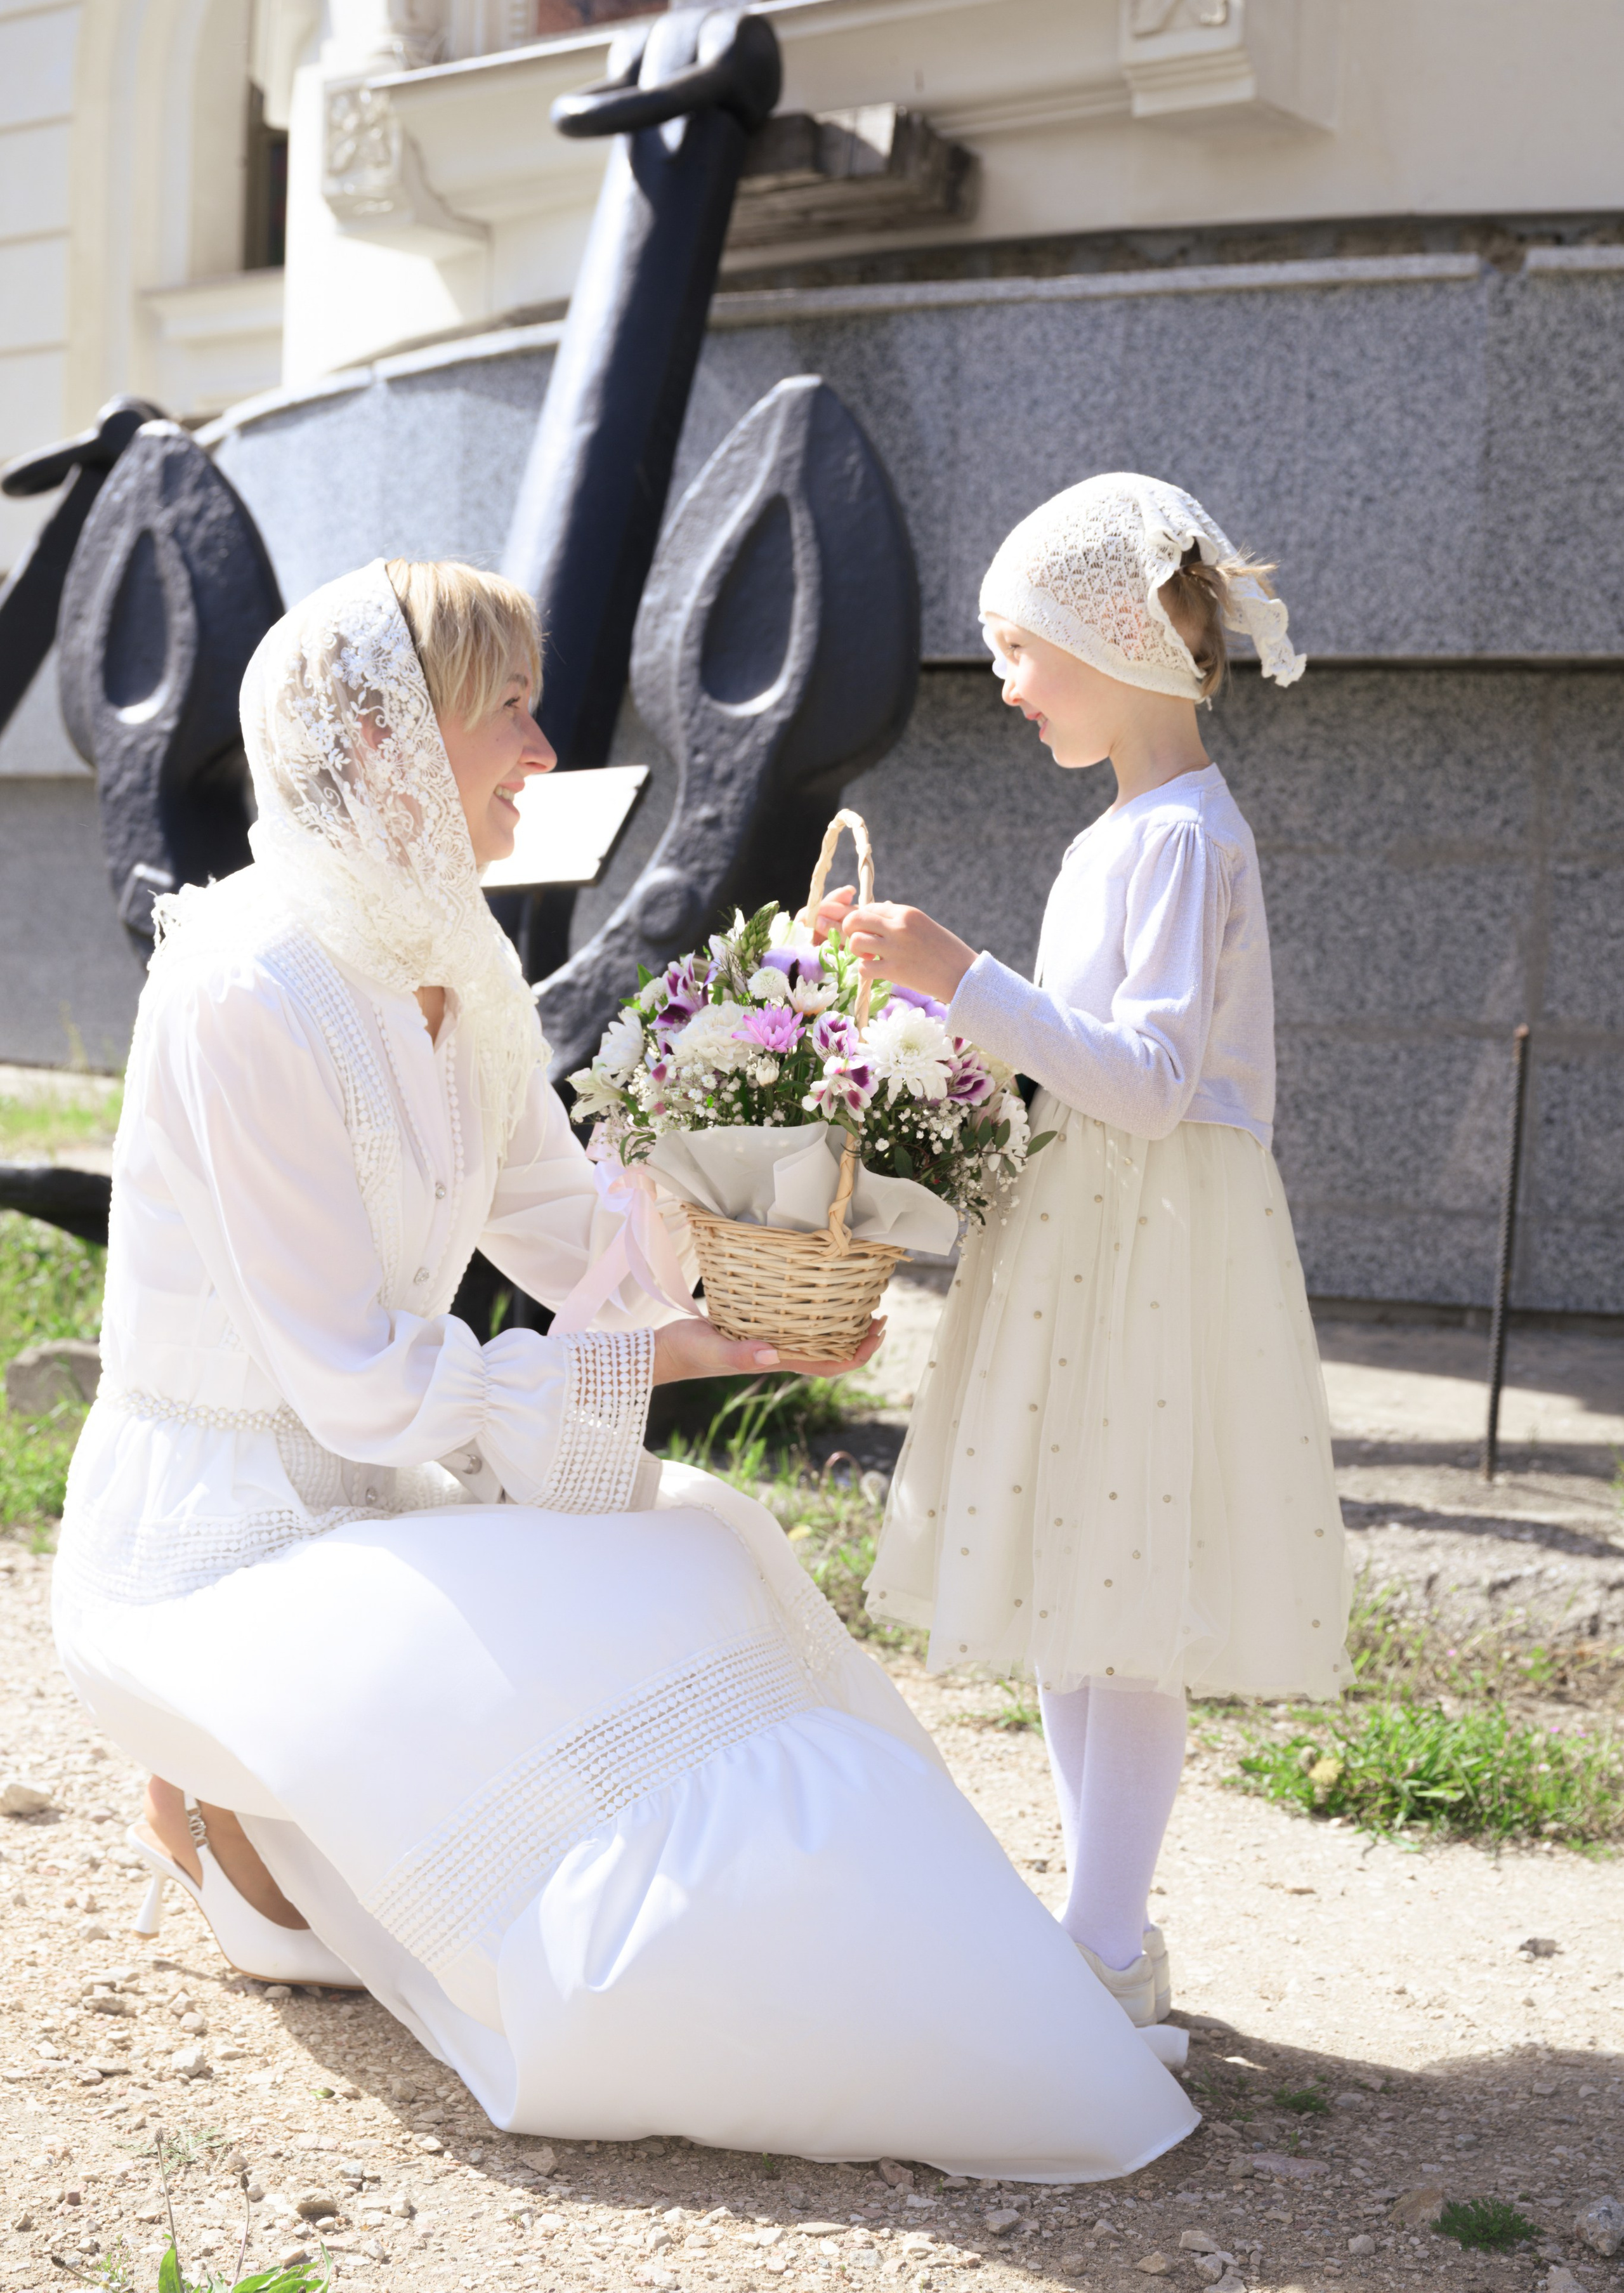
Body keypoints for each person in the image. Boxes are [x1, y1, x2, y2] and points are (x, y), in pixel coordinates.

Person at [51, 556, 1196, 2178]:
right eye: (506, 712)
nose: (541, 753)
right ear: (386, 746)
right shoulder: (245, 982)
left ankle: (935, 2001)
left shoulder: (454, 946)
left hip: (379, 1487)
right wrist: (627, 1369)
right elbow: (349, 1382)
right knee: (627, 1625)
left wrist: (723, 1293)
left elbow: (548, 1213)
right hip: (225, 1536)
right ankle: (231, 1792)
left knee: (702, 1552)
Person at [829, 475, 1352, 2028]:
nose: (1000, 684)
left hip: (1150, 1241)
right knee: (1077, 1580)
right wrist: (921, 1034)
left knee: (1118, 1601)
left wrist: (958, 972)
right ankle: (1098, 1929)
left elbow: (1143, 1080)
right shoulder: (1125, 831)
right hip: (1089, 1232)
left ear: (1110, 641)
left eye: (1016, 649)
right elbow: (1070, 1065)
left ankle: (1108, 1948)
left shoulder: (1184, 840)